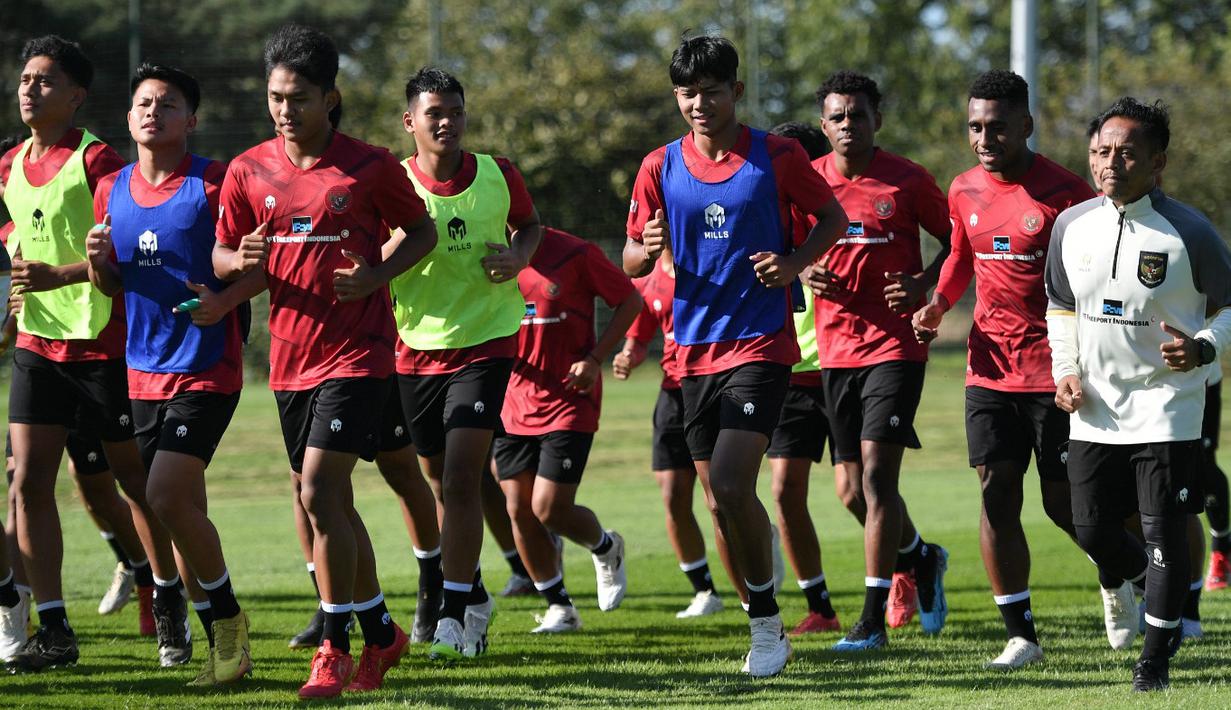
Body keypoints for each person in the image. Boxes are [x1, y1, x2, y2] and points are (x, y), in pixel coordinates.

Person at [213, 24, 437, 698]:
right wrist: (238, 261)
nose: (285, 109)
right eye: (277, 97)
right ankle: (382, 634)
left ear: (330, 97)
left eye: (299, 97)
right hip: (288, 360)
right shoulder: (247, 170)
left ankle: (333, 647)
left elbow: (421, 229)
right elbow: (222, 256)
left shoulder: (368, 166)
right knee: (326, 502)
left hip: (359, 356)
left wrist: (378, 276)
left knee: (317, 491)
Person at [623, 35, 846, 677]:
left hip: (760, 344)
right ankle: (763, 604)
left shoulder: (776, 156)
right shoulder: (658, 166)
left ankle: (768, 627)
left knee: (727, 482)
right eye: (688, 93)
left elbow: (828, 217)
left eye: (711, 91)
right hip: (690, 351)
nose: (699, 103)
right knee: (719, 502)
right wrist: (646, 245)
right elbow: (632, 259)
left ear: (736, 93)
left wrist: (796, 263)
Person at [2, 35, 185, 673]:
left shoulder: (99, 162)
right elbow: (14, 226)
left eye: (44, 81)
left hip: (103, 344)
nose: (29, 88)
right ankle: (53, 626)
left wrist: (65, 272)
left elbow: (125, 245)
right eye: (26, 78)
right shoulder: (8, 164)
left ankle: (167, 601)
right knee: (27, 484)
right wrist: (18, 271)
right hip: (36, 345)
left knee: (139, 487)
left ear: (75, 96)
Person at [85, 62, 262, 685]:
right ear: (129, 116)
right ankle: (223, 648)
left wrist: (226, 300)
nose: (150, 112)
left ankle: (230, 627)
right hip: (142, 372)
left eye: (165, 103)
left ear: (192, 119)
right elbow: (110, 286)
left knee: (162, 497)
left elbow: (263, 263)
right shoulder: (112, 188)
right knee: (182, 510)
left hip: (207, 367)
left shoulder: (216, 181)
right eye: (141, 103)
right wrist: (97, 263)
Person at [912, 70, 1096, 669]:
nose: (983, 138)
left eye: (995, 127)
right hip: (988, 372)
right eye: (974, 127)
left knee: (1068, 506)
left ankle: (1130, 574)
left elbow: (1091, 286)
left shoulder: (1068, 195)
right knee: (995, 496)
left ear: (1025, 126)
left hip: (1057, 374)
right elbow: (960, 258)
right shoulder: (963, 188)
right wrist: (938, 303)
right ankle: (1021, 634)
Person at [1046, 96, 1231, 691]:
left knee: (1163, 533)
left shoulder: (1191, 231)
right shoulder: (1070, 225)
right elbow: (1060, 307)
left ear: (1159, 162)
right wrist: (1065, 371)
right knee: (1095, 530)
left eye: (1127, 152)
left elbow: (1228, 308)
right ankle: (1152, 594)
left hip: (1168, 405)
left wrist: (1203, 346)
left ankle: (1153, 660)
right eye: (1101, 151)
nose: (1110, 162)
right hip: (1095, 409)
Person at [390, 66, 542, 661]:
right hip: (416, 347)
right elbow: (373, 252)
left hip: (488, 338)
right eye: (435, 113)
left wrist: (518, 258)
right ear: (411, 122)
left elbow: (530, 227)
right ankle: (475, 594)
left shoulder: (499, 174)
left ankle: (452, 611)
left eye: (455, 110)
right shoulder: (393, 182)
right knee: (438, 480)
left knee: (459, 477)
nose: (447, 121)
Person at [806, 71, 952, 649]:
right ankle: (921, 556)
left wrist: (923, 284)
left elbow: (957, 245)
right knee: (849, 491)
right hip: (836, 349)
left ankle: (870, 622)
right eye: (837, 116)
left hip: (896, 347)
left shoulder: (909, 179)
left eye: (857, 114)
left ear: (876, 120)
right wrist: (804, 268)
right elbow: (789, 252)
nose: (848, 124)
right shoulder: (809, 183)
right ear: (824, 125)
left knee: (876, 477)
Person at [493, 226, 640, 632]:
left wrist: (595, 359)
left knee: (548, 507)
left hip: (569, 398)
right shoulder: (488, 253)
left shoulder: (577, 253)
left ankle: (605, 547)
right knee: (518, 510)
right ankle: (560, 606)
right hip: (512, 401)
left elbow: (630, 300)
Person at [615, 238, 741, 618]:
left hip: (713, 386)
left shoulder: (709, 266)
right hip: (672, 394)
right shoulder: (647, 279)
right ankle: (704, 590)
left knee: (720, 498)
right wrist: (627, 357)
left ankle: (753, 543)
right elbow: (638, 339)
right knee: (672, 495)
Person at [763, 120, 841, 636]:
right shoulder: (767, 216)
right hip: (794, 369)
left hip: (844, 365)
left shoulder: (837, 214)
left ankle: (913, 560)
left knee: (859, 491)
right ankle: (820, 605)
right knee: (786, 491)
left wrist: (808, 260)